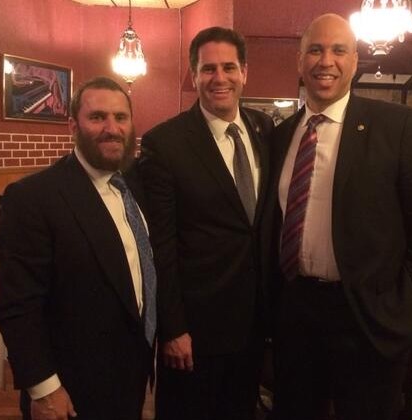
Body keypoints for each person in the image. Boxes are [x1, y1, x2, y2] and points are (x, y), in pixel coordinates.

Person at [265, 13, 412, 420]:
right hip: (296, 314)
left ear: (355, 60)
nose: (325, 61)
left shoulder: (398, 126)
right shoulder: (281, 136)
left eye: (338, 50)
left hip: (369, 318)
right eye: (315, 50)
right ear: (299, 61)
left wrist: (408, 306)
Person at [0, 76, 155, 420]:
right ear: (73, 125)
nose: (112, 129)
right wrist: (44, 388)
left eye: (121, 118)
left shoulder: (134, 186)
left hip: (129, 373)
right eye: (97, 117)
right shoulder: (33, 198)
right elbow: (18, 306)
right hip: (70, 387)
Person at [138, 27, 274, 420]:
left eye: (229, 67)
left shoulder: (263, 129)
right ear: (194, 75)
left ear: (244, 72)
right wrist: (173, 327)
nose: (220, 78)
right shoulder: (165, 143)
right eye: (208, 68)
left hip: (252, 323)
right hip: (196, 329)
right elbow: (159, 244)